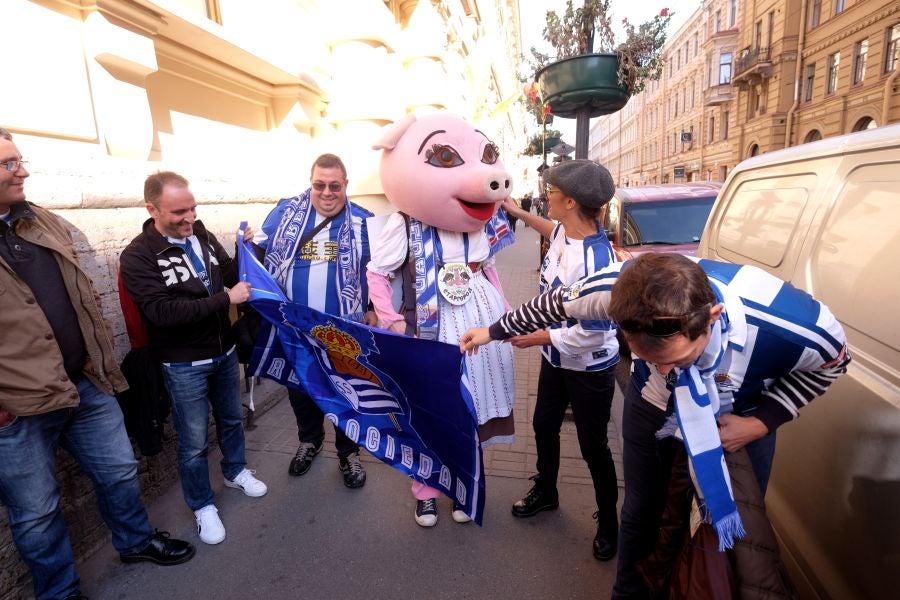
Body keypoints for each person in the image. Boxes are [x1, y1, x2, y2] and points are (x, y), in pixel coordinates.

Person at [460, 252, 850, 599]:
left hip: (739, 421)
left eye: (678, 360)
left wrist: (762, 423)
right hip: (650, 408)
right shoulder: (615, 290)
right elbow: (554, 304)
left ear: (710, 318)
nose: (666, 372)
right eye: (645, 358)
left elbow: (835, 363)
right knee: (640, 510)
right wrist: (494, 331)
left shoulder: (797, 328)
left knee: (726, 522)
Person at [0, 128, 194, 600]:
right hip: (18, 407)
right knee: (37, 512)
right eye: (8, 164)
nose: (22, 170)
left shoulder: (39, 221)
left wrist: (98, 364)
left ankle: (133, 541)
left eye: (18, 160)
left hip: (84, 382)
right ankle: (60, 592)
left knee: (120, 470)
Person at [119, 171, 267, 546]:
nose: (189, 218)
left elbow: (231, 277)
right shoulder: (137, 255)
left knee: (232, 420)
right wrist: (225, 299)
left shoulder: (201, 235)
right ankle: (202, 505)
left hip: (224, 351)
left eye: (192, 208)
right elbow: (162, 313)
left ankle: (235, 471)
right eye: (178, 212)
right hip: (182, 364)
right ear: (152, 208)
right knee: (194, 441)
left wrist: (247, 251)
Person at [500, 160, 620, 561]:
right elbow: (554, 232)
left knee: (593, 447)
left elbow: (595, 332)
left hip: (589, 367)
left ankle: (609, 522)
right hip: (556, 358)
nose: (545, 195)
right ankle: (547, 492)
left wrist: (536, 337)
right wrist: (518, 213)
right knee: (543, 424)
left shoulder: (597, 262)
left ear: (570, 200)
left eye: (551, 191)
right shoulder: (569, 231)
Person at [255, 153, 372, 488]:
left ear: (346, 186)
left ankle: (349, 453)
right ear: (311, 183)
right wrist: (247, 242)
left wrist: (375, 306)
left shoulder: (364, 222)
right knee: (300, 388)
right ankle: (310, 440)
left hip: (343, 331)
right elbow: (259, 254)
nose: (327, 192)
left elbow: (380, 271)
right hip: (295, 329)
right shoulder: (285, 214)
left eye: (335, 186)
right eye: (319, 185)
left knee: (345, 391)